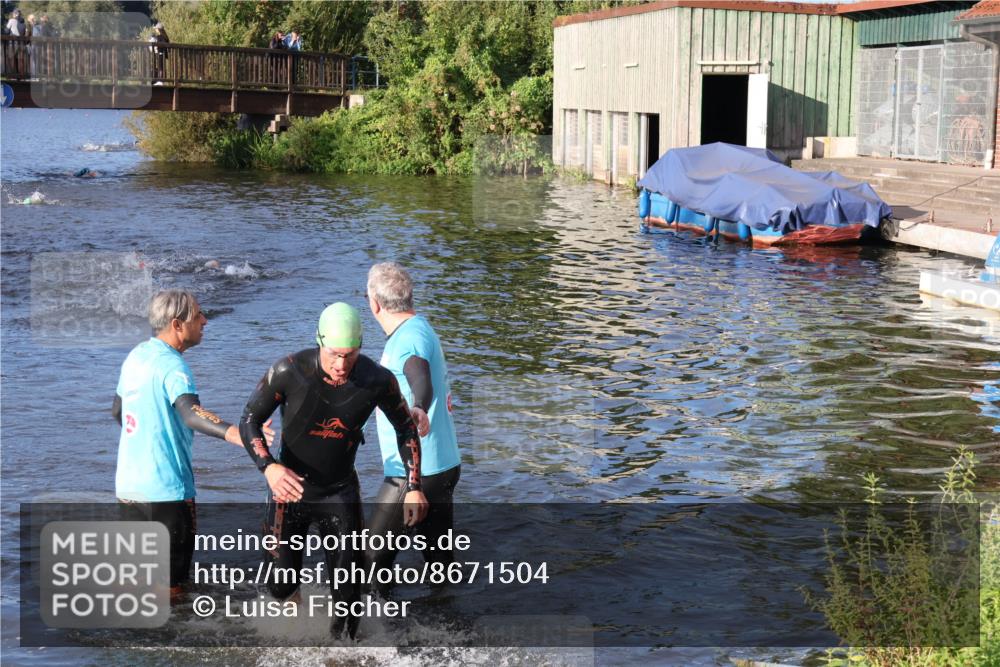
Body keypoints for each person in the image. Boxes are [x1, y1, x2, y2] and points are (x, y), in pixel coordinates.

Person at [239, 302, 429, 638]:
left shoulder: (377, 380)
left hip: (339, 492)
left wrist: (414, 485)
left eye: (350, 355)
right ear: (319, 341)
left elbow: (406, 428)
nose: (341, 365)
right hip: (289, 489)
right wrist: (268, 468)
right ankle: (295, 613)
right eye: (333, 354)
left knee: (348, 596)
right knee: (280, 587)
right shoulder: (289, 370)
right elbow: (249, 419)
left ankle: (342, 653)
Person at [113, 290, 265, 596]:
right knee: (171, 590)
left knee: (139, 585)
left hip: (128, 489)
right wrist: (239, 434)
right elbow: (191, 414)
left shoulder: (136, 356)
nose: (204, 320)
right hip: (167, 494)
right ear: (177, 324)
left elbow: (118, 411)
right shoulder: (174, 367)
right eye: (197, 315)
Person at [363, 263, 461, 592]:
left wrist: (419, 406)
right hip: (442, 465)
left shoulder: (407, 340)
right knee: (440, 566)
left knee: (370, 565)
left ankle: (371, 635)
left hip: (414, 472)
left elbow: (419, 376)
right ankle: (450, 630)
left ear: (373, 302)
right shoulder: (419, 327)